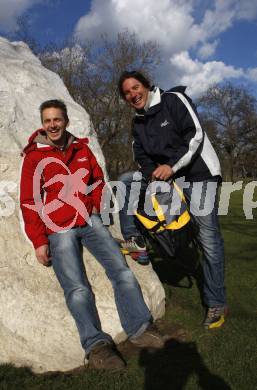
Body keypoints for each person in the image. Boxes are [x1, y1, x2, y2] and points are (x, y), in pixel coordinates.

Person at [20, 99, 164, 371]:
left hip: (89, 219)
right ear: (42, 124)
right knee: (76, 288)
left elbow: (97, 180)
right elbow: (29, 201)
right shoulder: (34, 156)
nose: (53, 124)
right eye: (48, 120)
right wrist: (39, 241)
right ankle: (96, 346)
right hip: (58, 227)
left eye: (57, 119)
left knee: (121, 270)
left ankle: (139, 327)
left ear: (65, 121)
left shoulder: (81, 148)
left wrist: (96, 204)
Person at [117, 70, 227, 329]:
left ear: (146, 85)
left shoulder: (173, 99)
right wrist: (151, 177)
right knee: (126, 181)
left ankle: (216, 302)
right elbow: (142, 156)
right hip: (168, 177)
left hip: (199, 174)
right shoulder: (138, 123)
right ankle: (136, 242)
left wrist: (170, 166)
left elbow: (195, 135)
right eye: (127, 93)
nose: (133, 94)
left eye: (136, 87)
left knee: (207, 239)